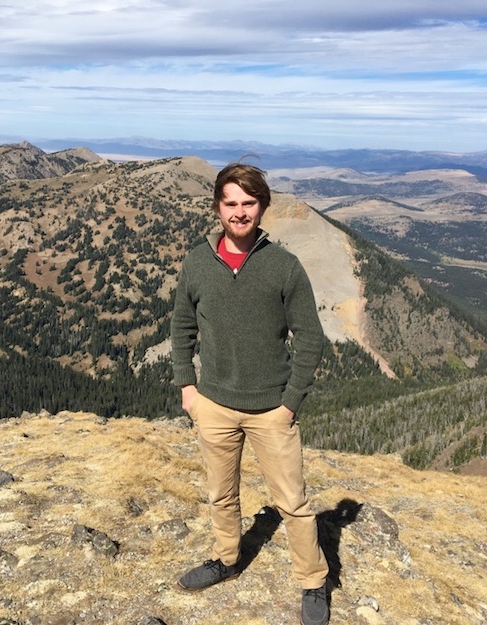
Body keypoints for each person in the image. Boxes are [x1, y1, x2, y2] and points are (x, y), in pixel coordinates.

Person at [170, 161, 330, 625]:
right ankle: (225, 560)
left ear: (262, 208)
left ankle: (313, 581)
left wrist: (289, 403)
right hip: (214, 404)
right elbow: (181, 325)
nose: (239, 212)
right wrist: (188, 388)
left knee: (293, 503)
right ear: (218, 207)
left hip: (270, 411)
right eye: (231, 203)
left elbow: (311, 338)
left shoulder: (284, 266)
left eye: (248, 203)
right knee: (221, 494)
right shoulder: (197, 260)